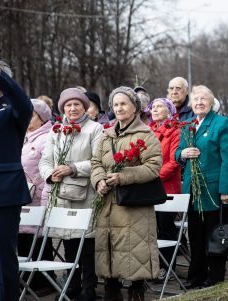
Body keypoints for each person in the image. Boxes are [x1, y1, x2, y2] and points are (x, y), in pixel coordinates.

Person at [91, 86, 162, 301]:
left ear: (135, 107)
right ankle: (111, 289)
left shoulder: (145, 134)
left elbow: (153, 166)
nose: (119, 108)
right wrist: (99, 181)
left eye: (124, 104)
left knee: (134, 246)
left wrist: (123, 176)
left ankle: (137, 288)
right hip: (108, 202)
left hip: (133, 203)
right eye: (115, 104)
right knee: (109, 245)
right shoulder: (106, 134)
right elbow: (95, 162)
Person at [39, 88, 102, 300]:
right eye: (68, 105)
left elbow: (98, 161)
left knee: (86, 244)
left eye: (77, 104)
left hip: (86, 194)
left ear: (84, 106)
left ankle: (88, 287)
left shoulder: (95, 129)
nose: (72, 108)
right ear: (62, 108)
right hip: (61, 193)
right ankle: (72, 284)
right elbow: (45, 160)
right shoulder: (56, 130)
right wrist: (50, 174)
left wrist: (72, 168)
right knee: (68, 242)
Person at [175, 85, 228, 288]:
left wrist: (226, 189)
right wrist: (183, 154)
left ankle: (216, 275)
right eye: (196, 99)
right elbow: (177, 154)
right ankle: (196, 275)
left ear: (211, 103)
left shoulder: (221, 124)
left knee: (213, 235)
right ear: (191, 103)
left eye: (203, 99)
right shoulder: (187, 125)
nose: (199, 103)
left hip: (213, 190)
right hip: (192, 189)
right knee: (195, 235)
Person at [0, 59, 33, 301]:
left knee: (3, 256)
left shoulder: (12, 108)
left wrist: (0, 75)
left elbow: (24, 103)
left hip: (3, 191)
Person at [19, 99, 55, 297]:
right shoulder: (22, 136)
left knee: (39, 239)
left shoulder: (47, 137)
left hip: (39, 196)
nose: (27, 118)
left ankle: (45, 280)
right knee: (22, 237)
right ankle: (25, 279)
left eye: (31, 115)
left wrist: (45, 198)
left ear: (41, 119)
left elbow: (47, 166)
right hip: (22, 196)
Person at [145, 97, 182, 280]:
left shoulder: (175, 130)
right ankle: (152, 265)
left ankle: (168, 267)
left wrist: (152, 175)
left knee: (166, 228)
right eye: (153, 107)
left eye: (160, 106)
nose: (155, 109)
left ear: (170, 111)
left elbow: (174, 161)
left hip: (167, 187)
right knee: (151, 228)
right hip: (150, 187)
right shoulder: (148, 130)